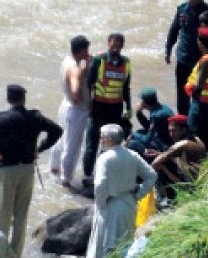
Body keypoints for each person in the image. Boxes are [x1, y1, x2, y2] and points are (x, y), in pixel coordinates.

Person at [0, 84, 63, 258]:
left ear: (9, 99)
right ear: (24, 99)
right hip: (27, 170)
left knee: (2, 216)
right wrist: (41, 148)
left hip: (7, 170)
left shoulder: (2, 119)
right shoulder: (35, 117)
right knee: (21, 216)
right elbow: (57, 131)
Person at [75, 124, 156, 258]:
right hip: (128, 204)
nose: (100, 140)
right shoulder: (132, 155)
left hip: (110, 206)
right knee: (124, 247)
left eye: (102, 137)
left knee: (98, 248)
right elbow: (151, 176)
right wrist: (139, 194)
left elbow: (100, 184)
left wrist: (101, 202)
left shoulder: (105, 158)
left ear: (110, 139)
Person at [84, 33, 132, 179]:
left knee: (111, 143)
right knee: (92, 142)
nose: (115, 49)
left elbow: (126, 87)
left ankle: (103, 173)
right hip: (98, 107)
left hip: (115, 109)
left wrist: (128, 107)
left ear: (122, 46)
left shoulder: (127, 63)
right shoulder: (99, 61)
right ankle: (87, 174)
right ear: (108, 44)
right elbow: (88, 84)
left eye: (118, 46)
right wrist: (88, 105)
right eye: (113, 45)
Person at [50, 35, 92, 188]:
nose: (88, 54)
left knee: (61, 140)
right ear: (81, 51)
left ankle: (54, 168)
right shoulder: (75, 68)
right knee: (72, 146)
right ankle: (66, 180)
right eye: (86, 51)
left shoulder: (67, 60)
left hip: (65, 105)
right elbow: (75, 91)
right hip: (76, 110)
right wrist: (83, 72)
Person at [166, 0, 208, 115]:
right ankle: (183, 120)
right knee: (182, 93)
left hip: (203, 60)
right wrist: (168, 49)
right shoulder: (182, 9)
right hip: (183, 57)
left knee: (201, 91)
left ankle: (198, 117)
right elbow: (174, 30)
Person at [150, 114, 207, 201]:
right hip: (200, 179)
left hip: (192, 184)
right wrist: (159, 153)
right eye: (170, 131)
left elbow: (155, 164)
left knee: (159, 166)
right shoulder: (196, 138)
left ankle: (164, 200)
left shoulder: (181, 144)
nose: (171, 134)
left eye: (174, 131)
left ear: (183, 130)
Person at [185, 27, 208, 153]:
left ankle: (197, 161)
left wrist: (189, 88)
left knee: (194, 133)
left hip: (200, 104)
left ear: (200, 42)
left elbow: (198, 84)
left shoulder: (206, 60)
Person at [127, 87, 175, 161]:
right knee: (139, 132)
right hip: (165, 138)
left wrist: (132, 134)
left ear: (145, 103)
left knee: (132, 143)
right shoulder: (163, 108)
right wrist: (138, 113)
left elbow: (147, 139)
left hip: (165, 145)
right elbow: (149, 127)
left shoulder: (156, 115)